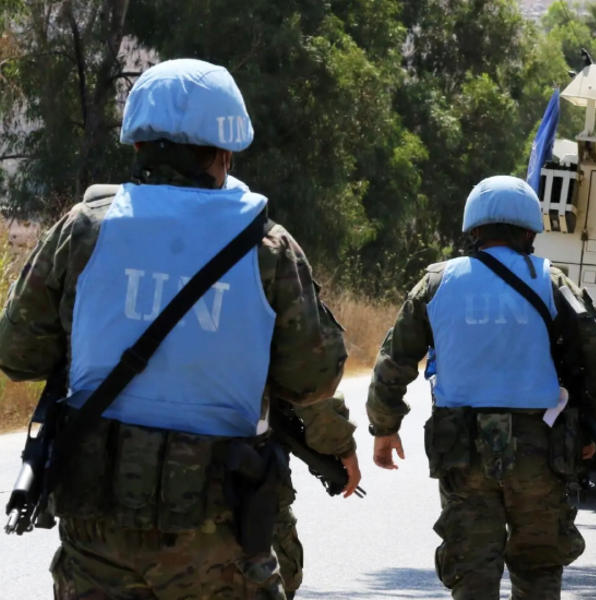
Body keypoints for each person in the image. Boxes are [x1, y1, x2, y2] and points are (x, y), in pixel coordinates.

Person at [0, 58, 359, 599]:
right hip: (219, 539)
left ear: (138, 144)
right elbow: (313, 379)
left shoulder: (84, 229)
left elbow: (17, 353)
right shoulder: (265, 247)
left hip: (99, 534)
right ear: (225, 152)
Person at [367, 175, 596, 600]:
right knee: (538, 571)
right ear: (529, 231)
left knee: (472, 573)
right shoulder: (554, 282)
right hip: (540, 450)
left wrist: (384, 427)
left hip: (463, 450)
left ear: (473, 230)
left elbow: (393, 361)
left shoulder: (436, 283)